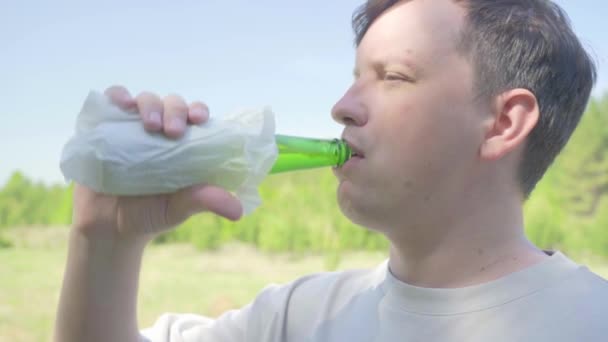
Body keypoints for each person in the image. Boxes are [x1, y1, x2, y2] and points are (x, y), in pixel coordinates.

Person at [54, 0, 608, 341]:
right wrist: (103, 240)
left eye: (392, 76)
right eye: (354, 77)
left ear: (503, 124)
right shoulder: (296, 318)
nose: (341, 106)